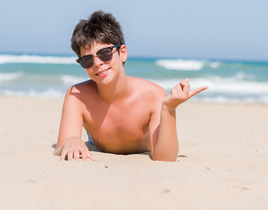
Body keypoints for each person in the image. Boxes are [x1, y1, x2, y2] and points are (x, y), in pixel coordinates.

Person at [54, 10, 207, 162]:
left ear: (122, 53)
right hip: (96, 142)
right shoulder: (77, 96)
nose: (97, 63)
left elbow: (164, 158)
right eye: (87, 60)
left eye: (105, 53)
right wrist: (71, 141)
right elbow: (61, 147)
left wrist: (169, 109)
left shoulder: (153, 96)